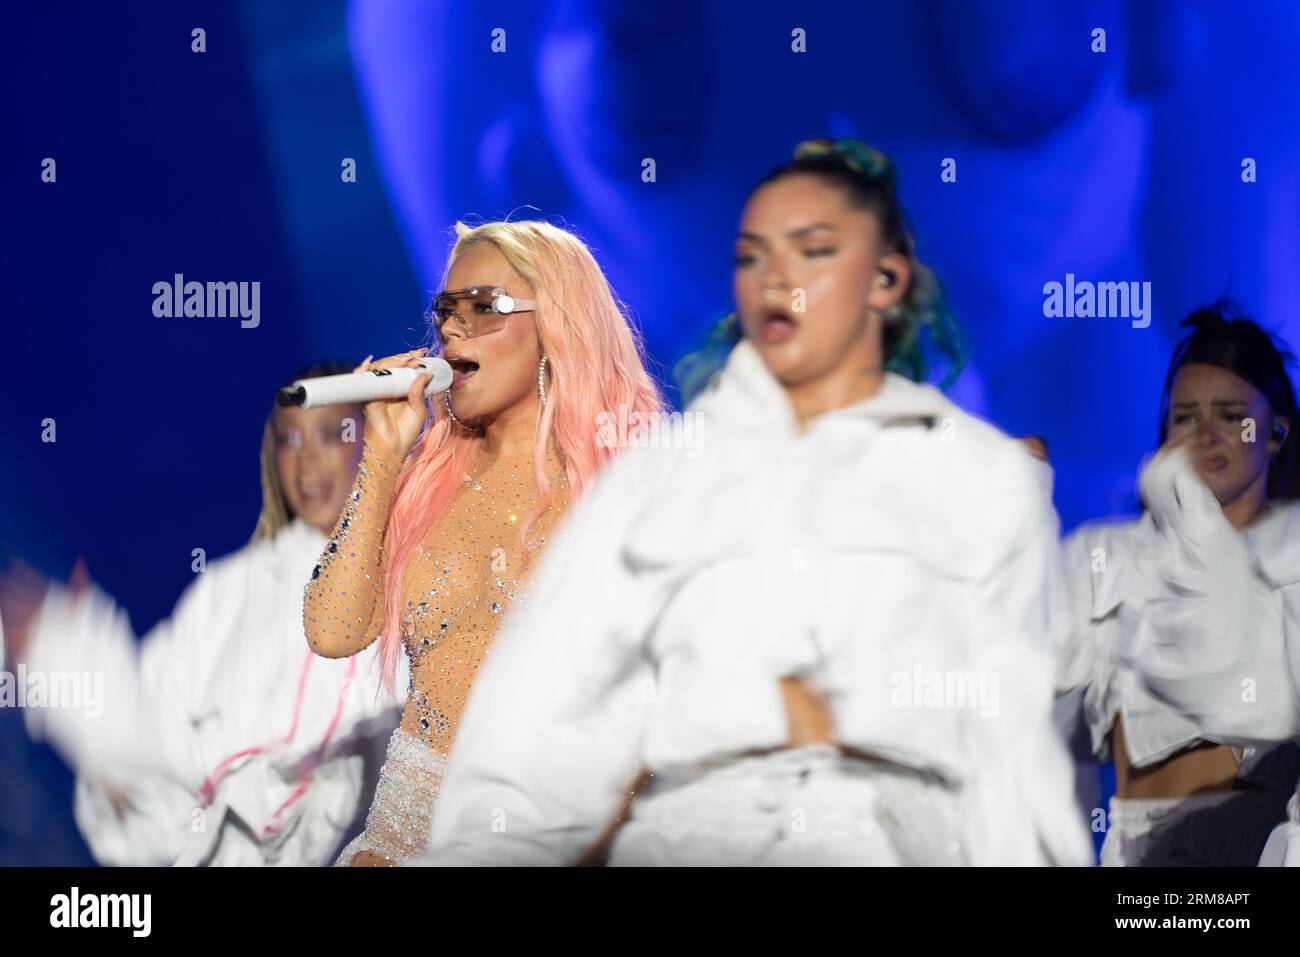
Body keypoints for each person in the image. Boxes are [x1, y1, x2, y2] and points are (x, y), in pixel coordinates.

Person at [412, 139, 1092, 866]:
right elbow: (535, 737)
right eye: (752, 257)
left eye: (813, 251)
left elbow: (1013, 761)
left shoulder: (980, 482)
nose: (777, 281)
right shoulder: (662, 480)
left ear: (887, 277)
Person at [304, 220, 663, 866]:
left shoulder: (628, 494)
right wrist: (381, 458)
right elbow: (331, 630)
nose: (452, 327)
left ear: (559, 322)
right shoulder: (421, 482)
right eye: (446, 309)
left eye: (484, 307)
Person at [0, 363, 401, 865]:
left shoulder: (412, 583)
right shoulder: (228, 591)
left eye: (329, 435)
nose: (307, 463)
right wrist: (66, 651)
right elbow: (153, 751)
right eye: (288, 440)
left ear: (376, 437)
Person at [1057, 302, 1300, 866]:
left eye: (1231, 415)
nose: (1206, 435)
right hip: (1144, 861)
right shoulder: (1109, 556)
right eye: (1185, 417)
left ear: (1275, 431)